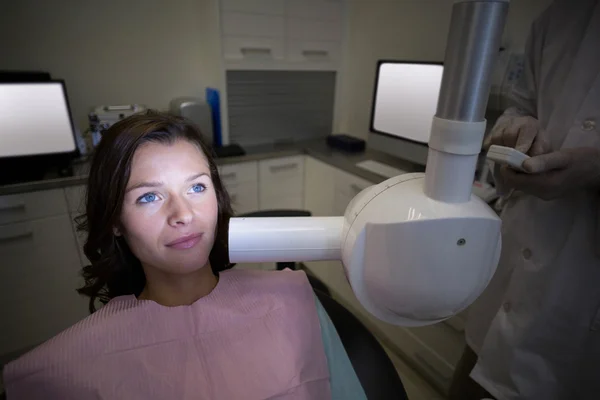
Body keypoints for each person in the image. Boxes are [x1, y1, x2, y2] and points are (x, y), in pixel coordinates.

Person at [2, 111, 367, 400]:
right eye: (149, 196)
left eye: (196, 186)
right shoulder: (69, 368)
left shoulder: (295, 302)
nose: (183, 214)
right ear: (114, 221)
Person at [449, 0, 600, 399]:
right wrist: (517, 129)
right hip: (507, 289)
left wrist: (595, 169)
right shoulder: (562, 17)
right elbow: (521, 105)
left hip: (578, 313)